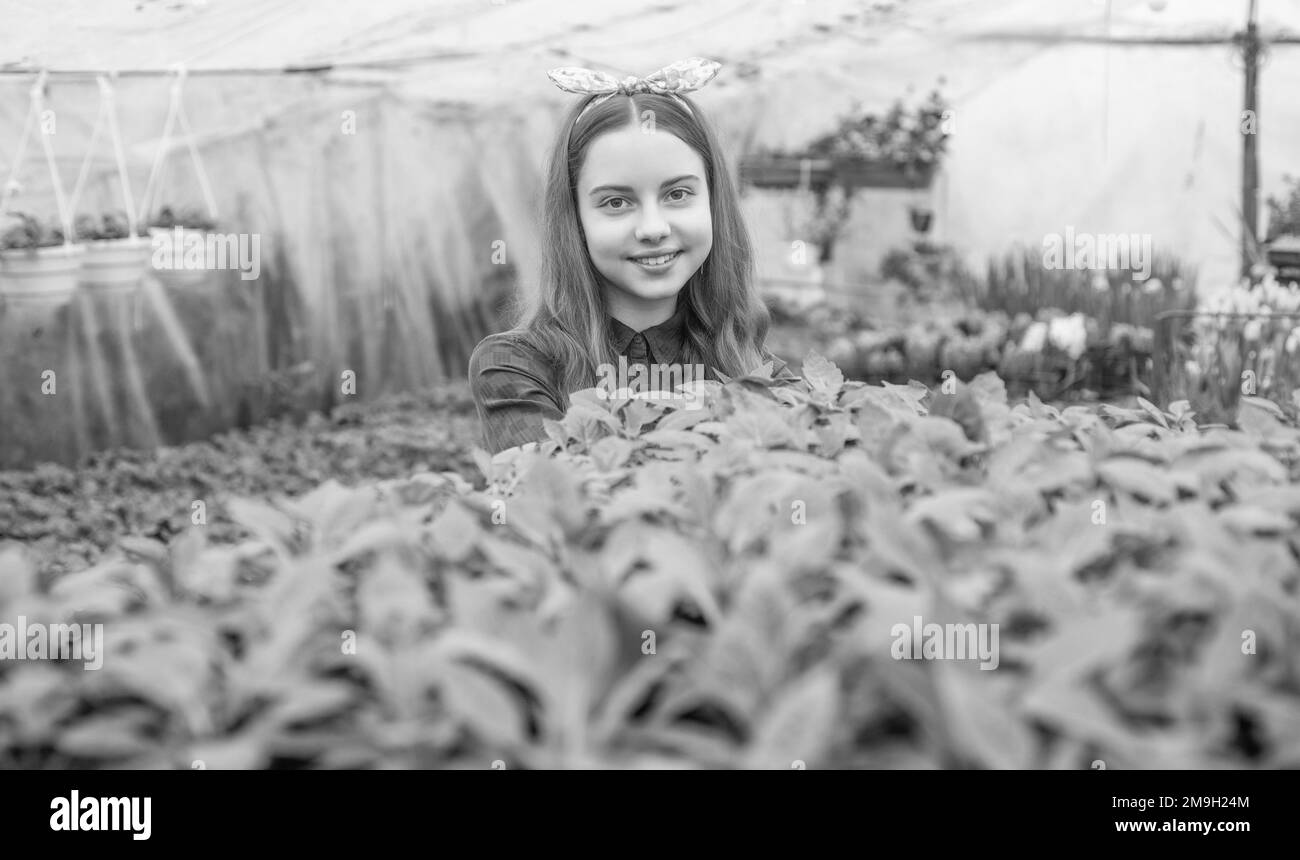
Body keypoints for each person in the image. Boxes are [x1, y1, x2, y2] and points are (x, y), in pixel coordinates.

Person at [468, 57, 800, 454]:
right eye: (616, 202)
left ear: (714, 203)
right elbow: (553, 499)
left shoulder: (756, 369)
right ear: (574, 220)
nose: (653, 228)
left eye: (677, 194)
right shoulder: (516, 367)